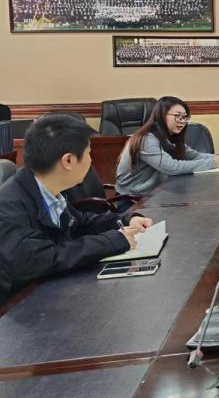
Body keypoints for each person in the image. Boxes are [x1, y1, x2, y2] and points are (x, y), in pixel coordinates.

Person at [0, 114, 153, 300]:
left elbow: (81, 222)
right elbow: (41, 258)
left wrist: (125, 219)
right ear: (68, 161)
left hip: (51, 290)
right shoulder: (8, 204)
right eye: (89, 153)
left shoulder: (46, 189)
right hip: (17, 305)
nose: (91, 160)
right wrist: (112, 241)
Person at [115, 96, 219, 197]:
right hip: (133, 200)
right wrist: (213, 163)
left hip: (157, 194)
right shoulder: (146, 139)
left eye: (184, 117)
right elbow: (172, 167)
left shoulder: (170, 137)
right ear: (162, 115)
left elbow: (194, 156)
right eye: (177, 116)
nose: (182, 121)